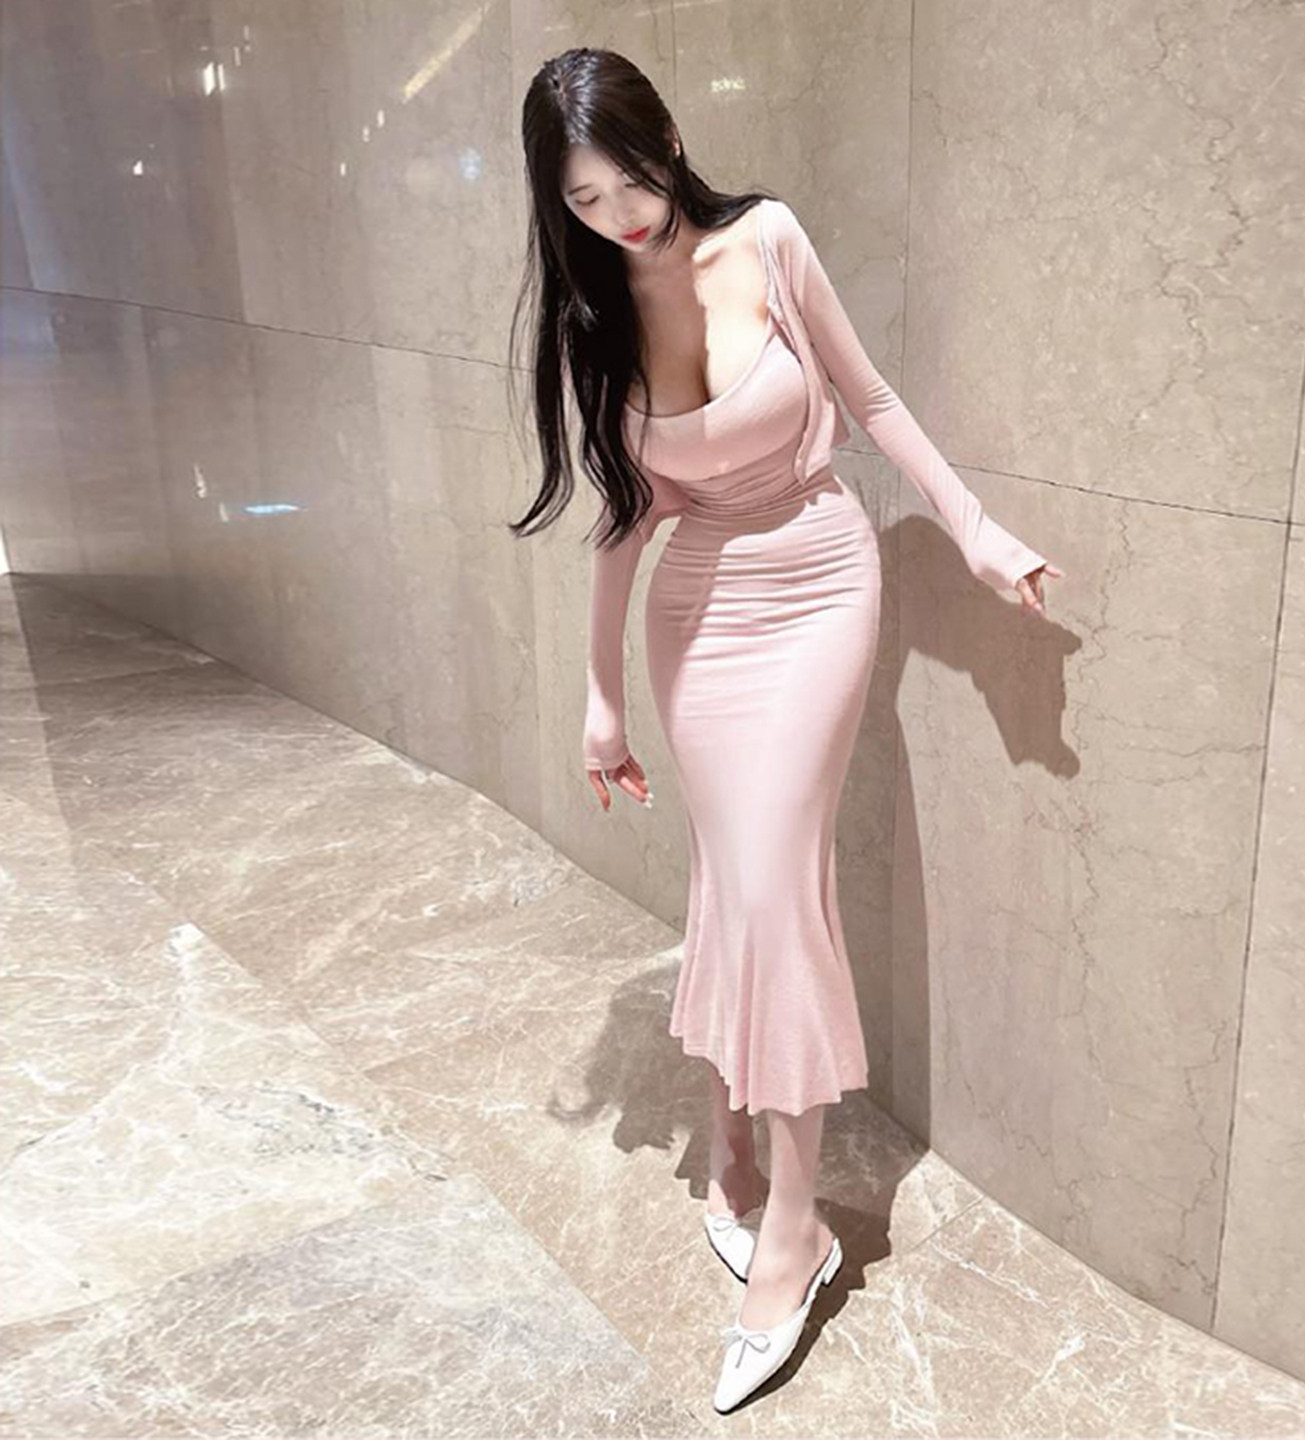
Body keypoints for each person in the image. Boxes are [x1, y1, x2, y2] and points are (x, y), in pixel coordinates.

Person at [510, 47, 1059, 1410]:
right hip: (696, 612)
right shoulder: (594, 313)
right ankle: (732, 1149)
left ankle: (798, 1229)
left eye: (629, 182)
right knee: (728, 878)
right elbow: (629, 517)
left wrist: (976, 530)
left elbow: (872, 402)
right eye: (583, 201)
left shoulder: (768, 239)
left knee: (774, 887)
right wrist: (600, 695)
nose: (619, 217)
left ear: (668, 139)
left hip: (816, 582)